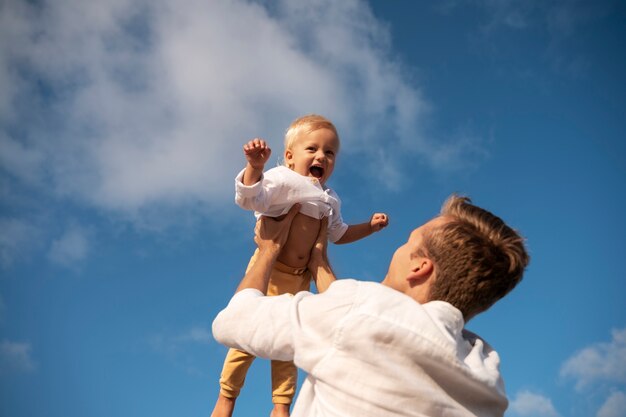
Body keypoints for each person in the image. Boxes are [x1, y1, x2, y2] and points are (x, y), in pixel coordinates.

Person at [212, 195, 530, 417]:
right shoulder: (487, 373)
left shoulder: (356, 311)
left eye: (408, 242)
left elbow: (233, 320)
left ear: (419, 267)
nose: (398, 249)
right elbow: (359, 325)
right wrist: (319, 262)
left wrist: (269, 249)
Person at [211, 114, 389, 417]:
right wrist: (255, 168)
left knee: (289, 341)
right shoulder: (282, 178)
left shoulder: (330, 199)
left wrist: (369, 228)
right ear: (290, 157)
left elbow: (339, 233)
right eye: (313, 149)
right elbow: (251, 199)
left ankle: (281, 406)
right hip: (268, 273)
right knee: (246, 336)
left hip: (299, 279)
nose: (322, 156)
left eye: (329, 152)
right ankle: (227, 397)